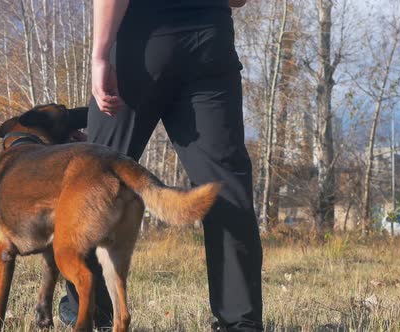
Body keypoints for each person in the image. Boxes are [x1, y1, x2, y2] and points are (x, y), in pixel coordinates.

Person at [58, 0, 263, 331]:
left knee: (94, 178)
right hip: (210, 39)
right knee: (225, 184)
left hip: (141, 40)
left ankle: (89, 310)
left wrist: (99, 55)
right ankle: (241, 322)